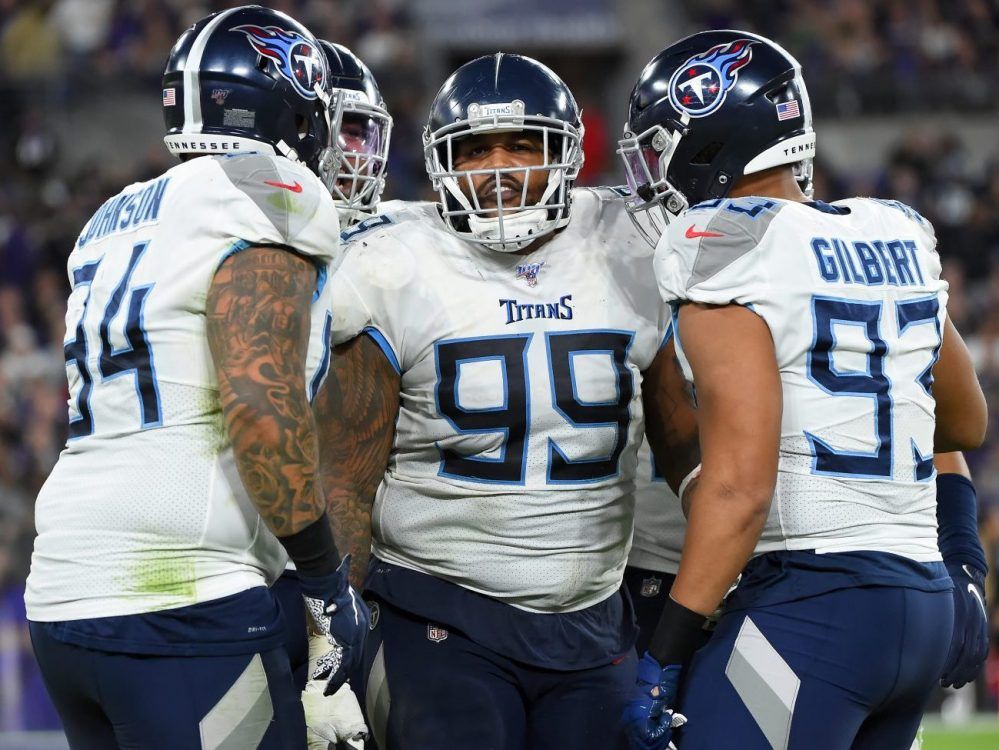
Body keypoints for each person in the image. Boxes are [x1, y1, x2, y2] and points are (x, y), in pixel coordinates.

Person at [311, 52, 698, 749]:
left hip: (593, 619)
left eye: (523, 145)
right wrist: (326, 636)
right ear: (440, 165)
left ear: (569, 154)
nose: (496, 169)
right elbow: (344, 480)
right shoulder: (390, 259)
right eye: (474, 150)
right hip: (438, 609)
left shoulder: (635, 242)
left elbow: (686, 448)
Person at [617, 29, 989, 750]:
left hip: (813, 604)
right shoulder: (890, 229)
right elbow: (963, 422)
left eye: (660, 147)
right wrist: (964, 559)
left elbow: (738, 489)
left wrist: (662, 655)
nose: (651, 170)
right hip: (920, 602)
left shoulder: (720, 242)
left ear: (705, 143)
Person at [23, 7, 368, 748]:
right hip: (178, 597)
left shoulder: (111, 216)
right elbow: (258, 405)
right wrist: (323, 581)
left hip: (63, 590)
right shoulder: (263, 191)